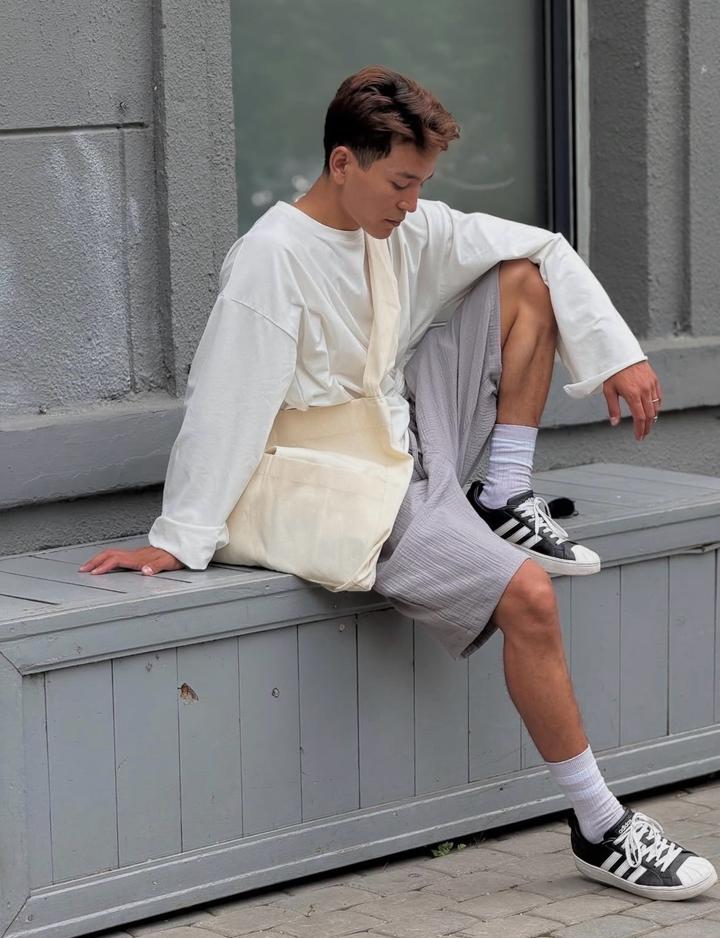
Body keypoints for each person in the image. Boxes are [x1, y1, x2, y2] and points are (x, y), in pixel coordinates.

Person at [79, 66, 717, 900]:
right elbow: (225, 403)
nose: (414, 203)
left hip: (404, 433)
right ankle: (601, 827)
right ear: (343, 162)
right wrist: (177, 538)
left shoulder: (395, 225)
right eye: (402, 183)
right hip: (330, 480)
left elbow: (545, 246)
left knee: (524, 278)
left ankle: (504, 493)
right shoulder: (272, 258)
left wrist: (620, 355)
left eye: (422, 184)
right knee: (528, 596)